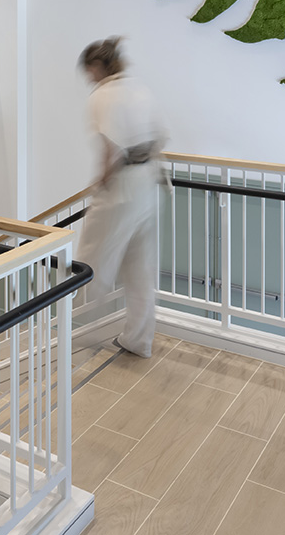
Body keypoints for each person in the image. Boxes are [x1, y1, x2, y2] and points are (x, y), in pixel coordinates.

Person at [75, 36, 166, 358]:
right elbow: (159, 139)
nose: (88, 78)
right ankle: (138, 340)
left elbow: (110, 150)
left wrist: (101, 183)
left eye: (88, 71)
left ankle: (67, 336)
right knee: (139, 268)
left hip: (124, 184)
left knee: (89, 258)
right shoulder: (138, 89)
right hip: (150, 181)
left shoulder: (103, 95)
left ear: (97, 66)